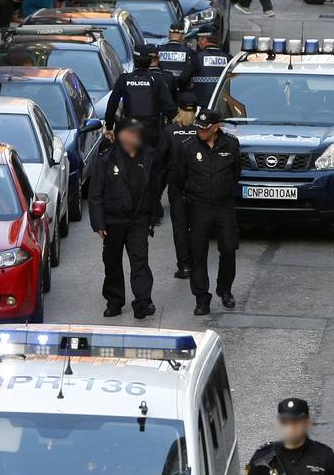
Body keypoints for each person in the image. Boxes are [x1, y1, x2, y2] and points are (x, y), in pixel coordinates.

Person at [170, 108, 240, 315]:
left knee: (228, 249)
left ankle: (225, 289)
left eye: (205, 128)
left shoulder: (231, 145)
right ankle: (201, 297)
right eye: (198, 127)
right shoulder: (188, 148)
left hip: (224, 206)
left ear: (216, 127)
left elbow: (235, 173)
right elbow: (179, 177)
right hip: (199, 206)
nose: (200, 131)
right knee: (198, 253)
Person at [89, 118, 160, 319]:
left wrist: (151, 217)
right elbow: (95, 194)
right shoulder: (106, 159)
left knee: (140, 260)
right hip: (113, 221)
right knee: (112, 263)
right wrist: (98, 223)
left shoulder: (148, 157)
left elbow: (153, 189)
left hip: (138, 219)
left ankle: (143, 301)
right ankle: (114, 301)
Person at [158, 93, 200, 282]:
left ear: (179, 109)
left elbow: (159, 161)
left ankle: (184, 266)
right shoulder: (201, 130)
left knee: (180, 227)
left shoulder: (169, 131)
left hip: (176, 186)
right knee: (198, 226)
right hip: (199, 186)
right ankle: (197, 263)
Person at [105, 45, 176, 145]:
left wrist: (109, 126)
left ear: (134, 60)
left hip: (129, 130)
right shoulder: (156, 80)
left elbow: (112, 104)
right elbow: (169, 106)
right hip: (152, 132)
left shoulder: (124, 79)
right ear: (150, 61)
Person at [188, 27, 229, 108]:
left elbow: (183, 78)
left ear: (204, 39)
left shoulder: (197, 57)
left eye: (198, 39)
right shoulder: (228, 58)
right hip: (222, 104)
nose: (198, 43)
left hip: (201, 104)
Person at [155, 24, 195, 91]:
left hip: (163, 89)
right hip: (181, 90)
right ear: (183, 36)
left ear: (169, 35)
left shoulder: (158, 50)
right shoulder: (189, 52)